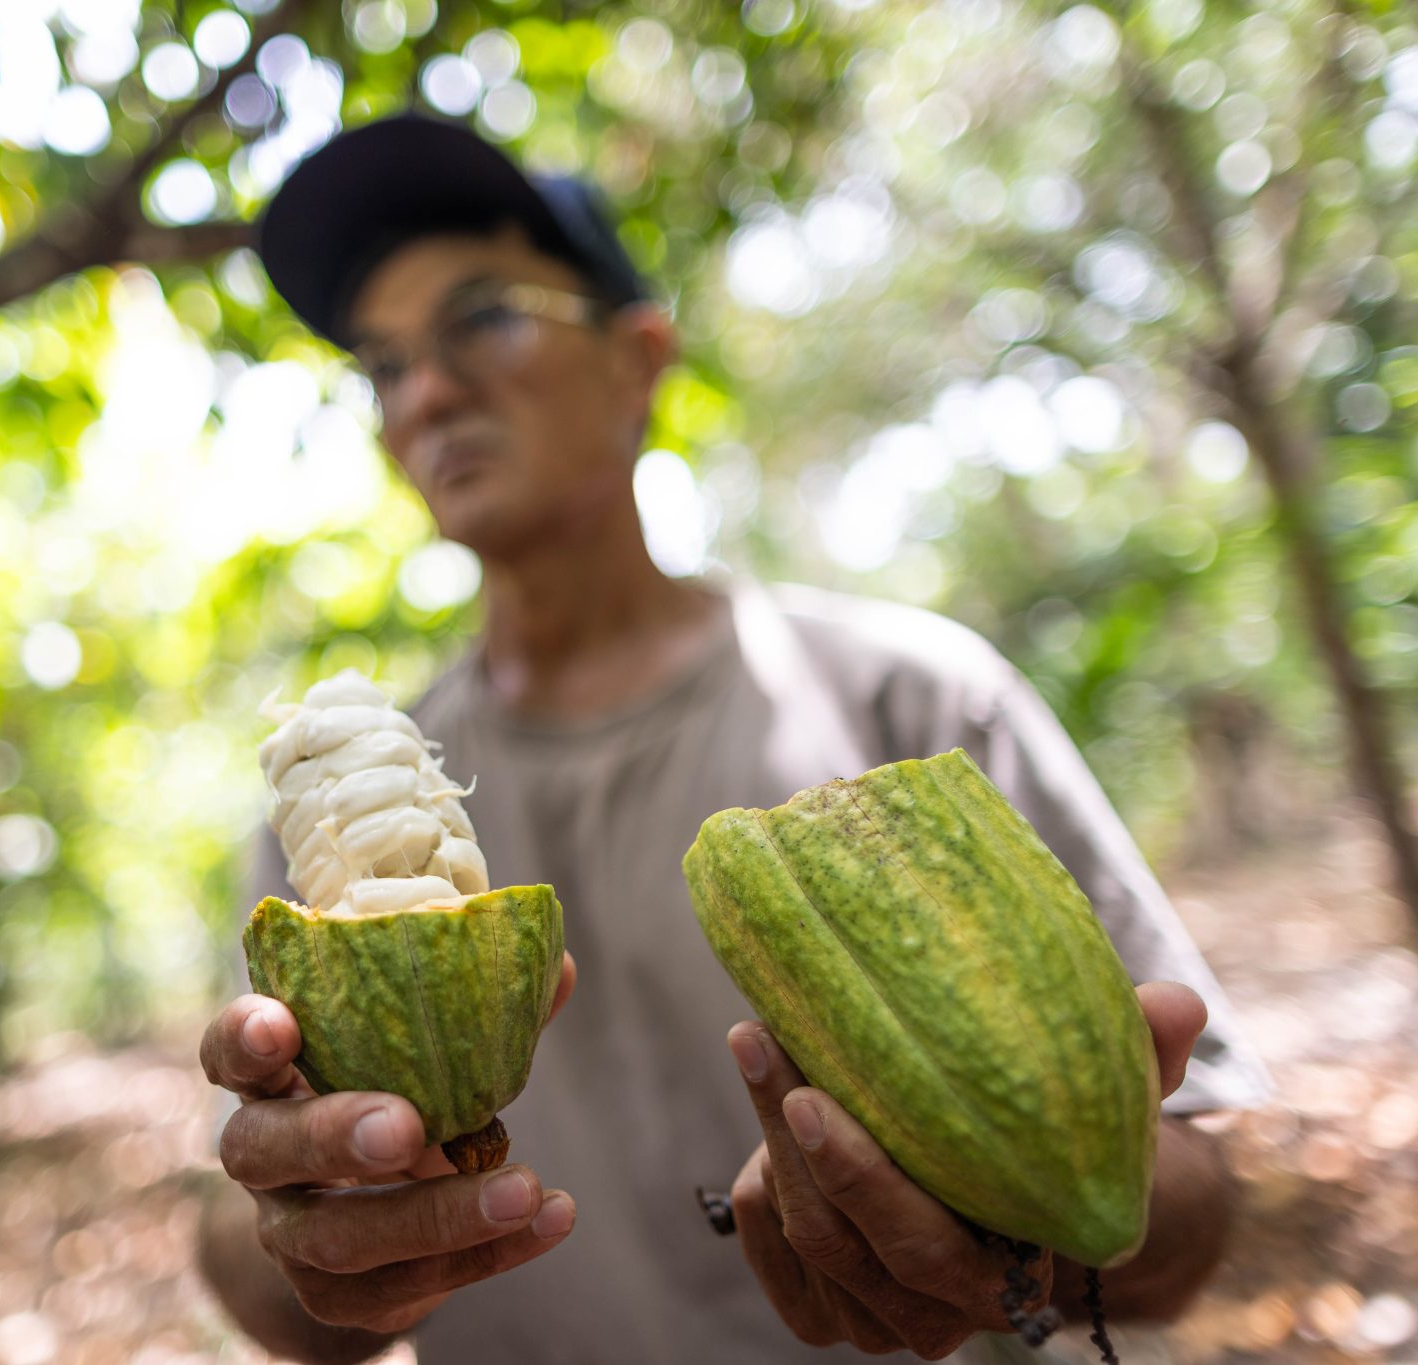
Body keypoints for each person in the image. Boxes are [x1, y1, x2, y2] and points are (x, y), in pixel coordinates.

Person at [195, 114, 1271, 1364]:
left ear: (638, 357)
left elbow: (1188, 1186)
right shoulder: (316, 841)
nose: (425, 392)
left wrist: (1038, 1238)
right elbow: (243, 1249)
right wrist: (309, 1234)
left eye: (481, 318)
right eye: (381, 367)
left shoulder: (907, 700)